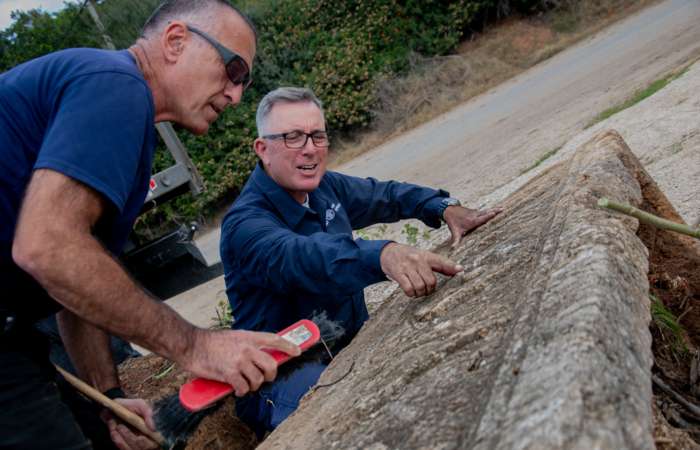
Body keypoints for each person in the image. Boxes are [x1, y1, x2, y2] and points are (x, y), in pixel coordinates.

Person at [0, 1, 301, 449]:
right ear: (176, 41)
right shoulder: (116, 84)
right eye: (233, 69)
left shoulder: (120, 114)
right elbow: (47, 246)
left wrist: (109, 396)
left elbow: (73, 281)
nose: (236, 94)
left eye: (244, 81)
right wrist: (196, 347)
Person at [219, 87, 504, 438]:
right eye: (293, 137)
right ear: (263, 149)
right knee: (363, 416)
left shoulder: (324, 188)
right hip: (283, 374)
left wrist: (444, 207)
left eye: (317, 135)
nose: (309, 148)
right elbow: (305, 260)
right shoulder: (245, 226)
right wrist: (383, 254)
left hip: (351, 346)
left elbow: (384, 195)